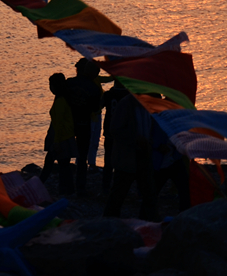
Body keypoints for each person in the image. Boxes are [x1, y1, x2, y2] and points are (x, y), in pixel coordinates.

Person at [102, 89, 158, 221]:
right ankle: (109, 221)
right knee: (119, 193)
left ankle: (149, 222)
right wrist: (136, 139)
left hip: (144, 154)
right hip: (127, 157)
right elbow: (115, 129)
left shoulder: (148, 106)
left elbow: (151, 128)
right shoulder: (126, 104)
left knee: (149, 193)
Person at [62, 58, 105, 195]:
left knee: (66, 155)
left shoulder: (69, 83)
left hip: (69, 123)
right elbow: (94, 108)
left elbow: (62, 102)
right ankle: (80, 187)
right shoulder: (93, 88)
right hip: (84, 123)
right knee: (82, 157)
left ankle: (66, 186)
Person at [39, 72, 76, 192]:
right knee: (63, 164)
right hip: (65, 136)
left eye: (51, 85)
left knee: (52, 163)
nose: (50, 88)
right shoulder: (64, 98)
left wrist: (56, 142)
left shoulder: (60, 101)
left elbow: (59, 124)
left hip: (60, 137)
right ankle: (66, 188)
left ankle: (40, 186)